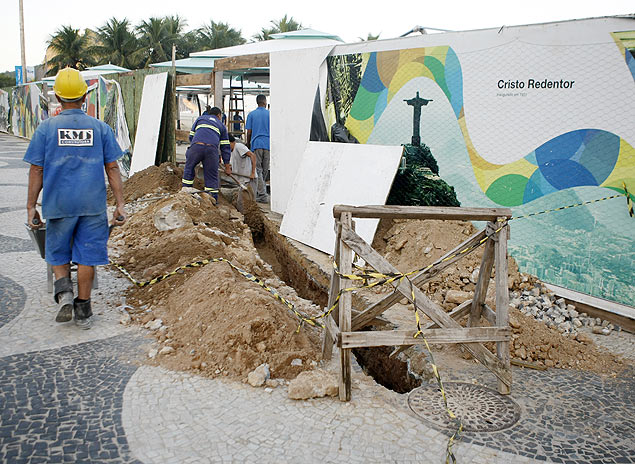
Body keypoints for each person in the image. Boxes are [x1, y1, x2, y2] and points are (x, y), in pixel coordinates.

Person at [24, 67, 127, 330]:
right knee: (87, 256)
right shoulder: (100, 128)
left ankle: (65, 294)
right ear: (85, 97)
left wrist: (30, 206)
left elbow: (37, 169)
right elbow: (112, 167)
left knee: (57, 251)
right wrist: (120, 204)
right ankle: (83, 307)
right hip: (92, 205)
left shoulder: (46, 129)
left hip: (58, 203)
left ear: (57, 98)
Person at [182, 106, 231, 200]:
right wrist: (227, 167)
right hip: (211, 150)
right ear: (219, 116)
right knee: (211, 176)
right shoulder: (221, 126)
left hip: (196, 147)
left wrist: (194, 150)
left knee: (189, 169)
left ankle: (185, 196)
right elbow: (225, 147)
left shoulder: (200, 119)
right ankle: (212, 200)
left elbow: (191, 137)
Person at [245, 94, 270, 203]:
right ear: (265, 102)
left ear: (257, 102)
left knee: (258, 170)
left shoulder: (251, 114)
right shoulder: (270, 114)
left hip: (256, 143)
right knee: (264, 170)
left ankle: (262, 194)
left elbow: (249, 132)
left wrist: (248, 143)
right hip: (268, 144)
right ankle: (262, 192)